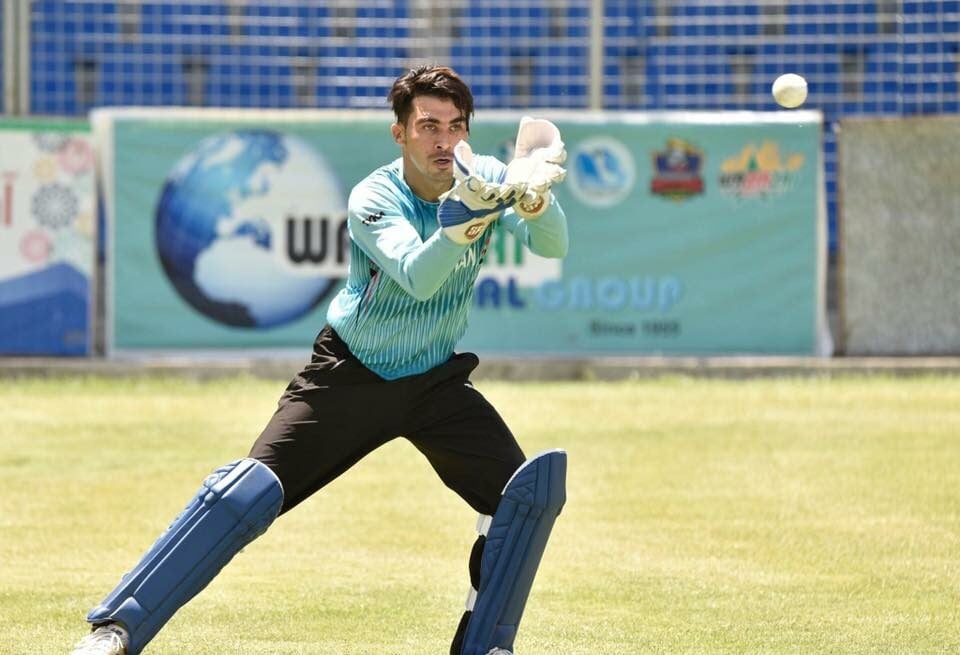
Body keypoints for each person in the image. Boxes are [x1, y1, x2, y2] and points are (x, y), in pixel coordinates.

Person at [70, 65, 569, 655]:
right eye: (428, 126)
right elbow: (416, 277)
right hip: (350, 374)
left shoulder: (481, 175)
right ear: (400, 134)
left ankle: (486, 645)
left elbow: (553, 246)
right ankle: (117, 629)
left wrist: (533, 202)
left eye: (456, 127)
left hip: (435, 381)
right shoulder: (374, 196)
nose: (444, 141)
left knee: (524, 496)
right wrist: (464, 224)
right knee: (246, 493)